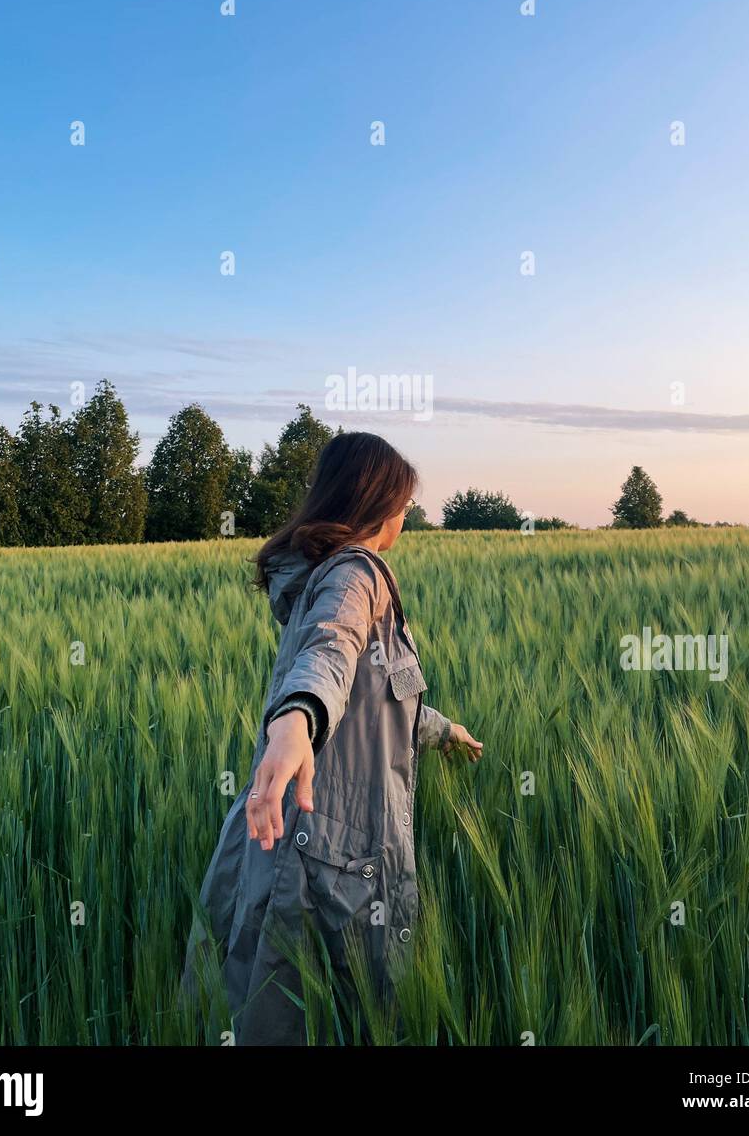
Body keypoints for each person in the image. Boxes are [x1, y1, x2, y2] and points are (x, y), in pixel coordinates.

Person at [179, 431, 482, 1045]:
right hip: (329, 859)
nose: (406, 517)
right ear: (376, 505)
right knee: (323, 1020)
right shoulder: (356, 575)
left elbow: (372, 699)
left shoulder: (320, 577)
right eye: (402, 504)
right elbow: (331, 651)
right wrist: (296, 721)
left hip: (296, 836)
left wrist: (441, 728)